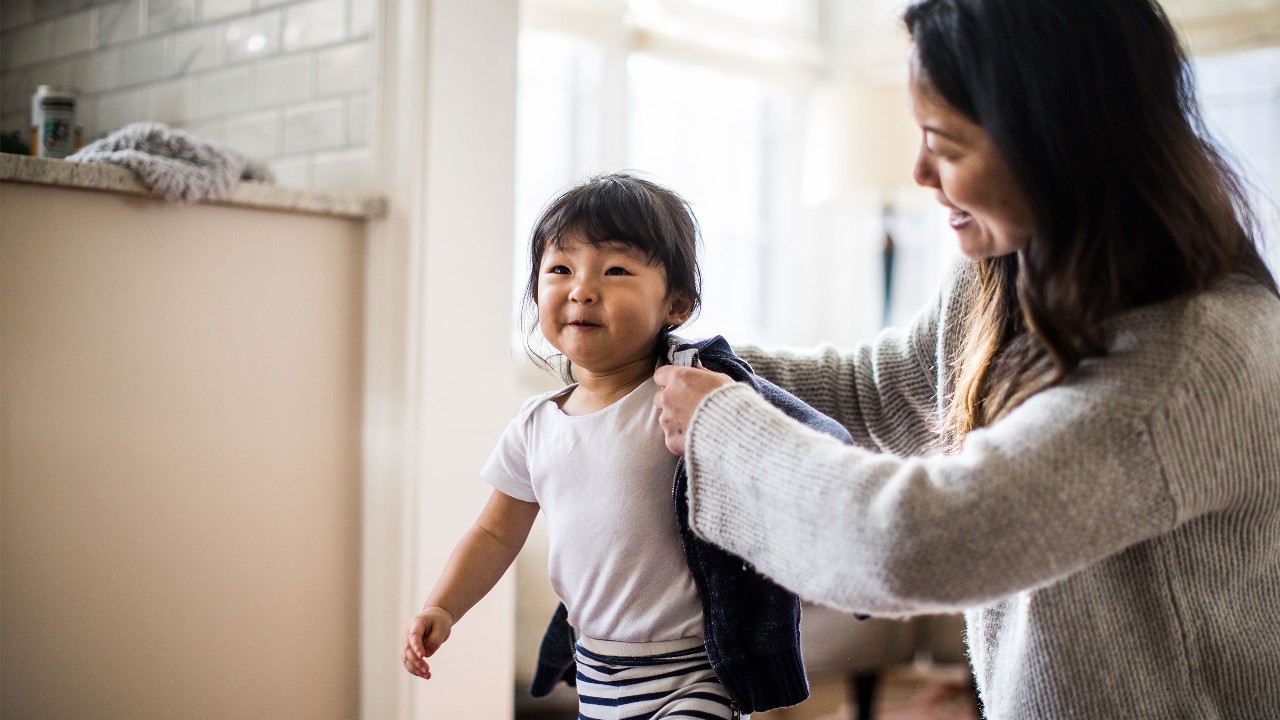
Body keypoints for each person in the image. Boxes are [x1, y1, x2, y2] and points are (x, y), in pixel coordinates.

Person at [652, 1, 1280, 719]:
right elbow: (880, 392)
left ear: (1057, 143)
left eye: (945, 143)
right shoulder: (1007, 274)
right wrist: (673, 358)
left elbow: (917, 544)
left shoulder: (1195, 360)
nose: (919, 170)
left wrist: (720, 424)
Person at [400, 173, 851, 719]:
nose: (582, 289)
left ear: (677, 304)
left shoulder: (691, 389)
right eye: (560, 269)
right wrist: (443, 606)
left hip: (694, 670)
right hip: (598, 673)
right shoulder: (536, 425)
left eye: (615, 271)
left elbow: (797, 437)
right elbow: (494, 532)